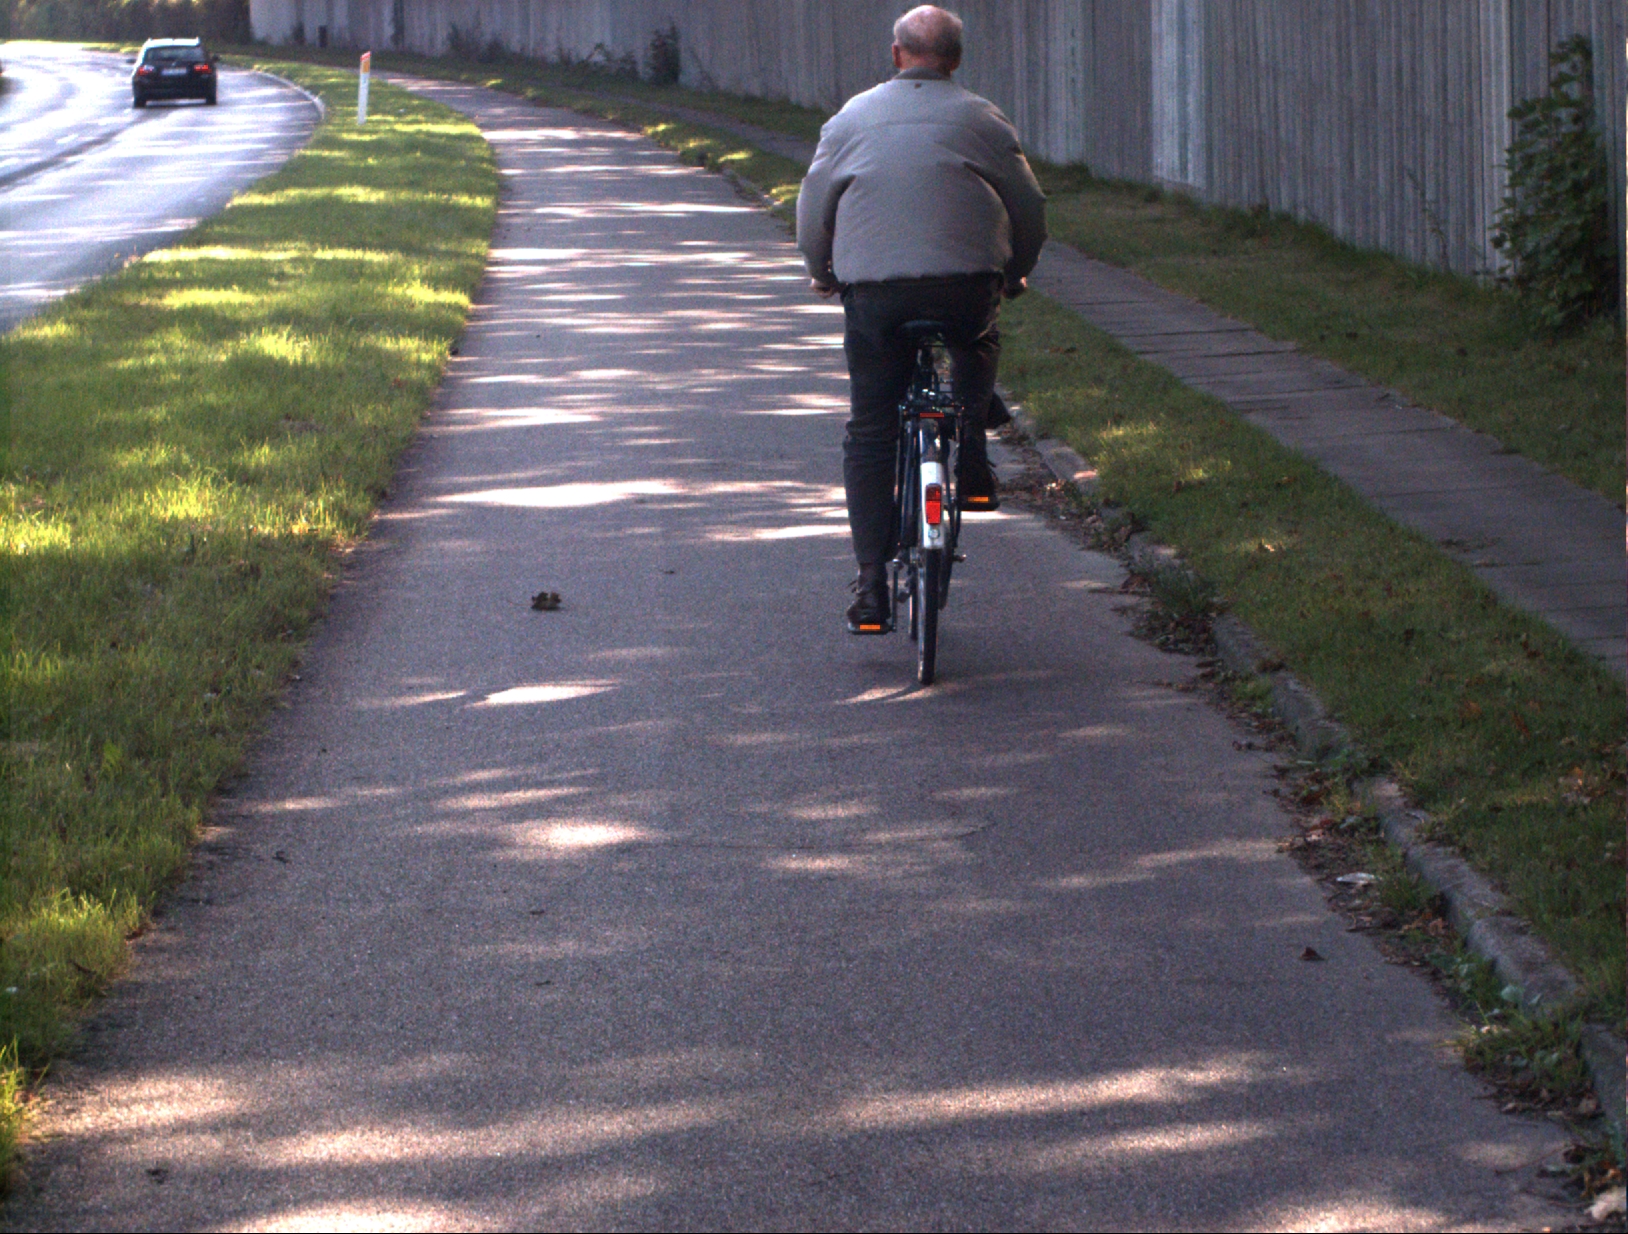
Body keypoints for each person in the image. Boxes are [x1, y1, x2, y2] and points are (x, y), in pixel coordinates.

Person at [796, 4, 1046, 634]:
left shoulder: (850, 118)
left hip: (876, 295)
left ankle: (870, 585)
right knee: (977, 339)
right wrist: (1016, 270)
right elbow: (1028, 206)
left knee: (871, 429)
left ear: (896, 53)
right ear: (956, 60)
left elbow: (813, 204)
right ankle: (972, 461)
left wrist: (822, 269)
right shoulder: (982, 118)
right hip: (966, 288)